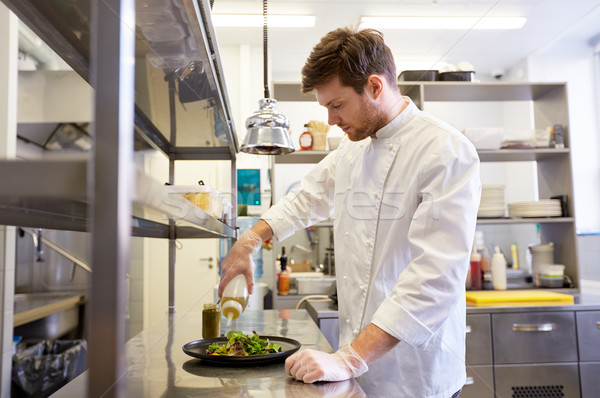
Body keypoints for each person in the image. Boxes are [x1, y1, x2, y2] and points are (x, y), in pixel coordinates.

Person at [218, 27, 481, 398]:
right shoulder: (352, 148)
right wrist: (248, 241)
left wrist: (349, 359)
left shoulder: (446, 150)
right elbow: (306, 198)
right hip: (354, 371)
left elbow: (435, 278)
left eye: (336, 105)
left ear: (375, 86)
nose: (329, 119)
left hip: (416, 375)